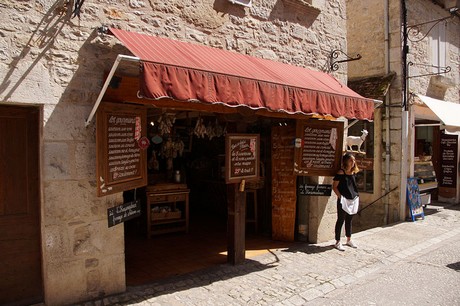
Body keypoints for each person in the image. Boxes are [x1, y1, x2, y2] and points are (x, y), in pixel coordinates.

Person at [332, 153, 359, 251]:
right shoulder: (341, 173)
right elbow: (334, 187)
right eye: (351, 160)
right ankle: (337, 242)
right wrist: (341, 198)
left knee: (349, 220)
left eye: (354, 160)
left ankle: (349, 239)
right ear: (346, 161)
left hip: (353, 199)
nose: (353, 162)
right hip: (344, 200)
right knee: (340, 220)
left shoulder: (353, 173)